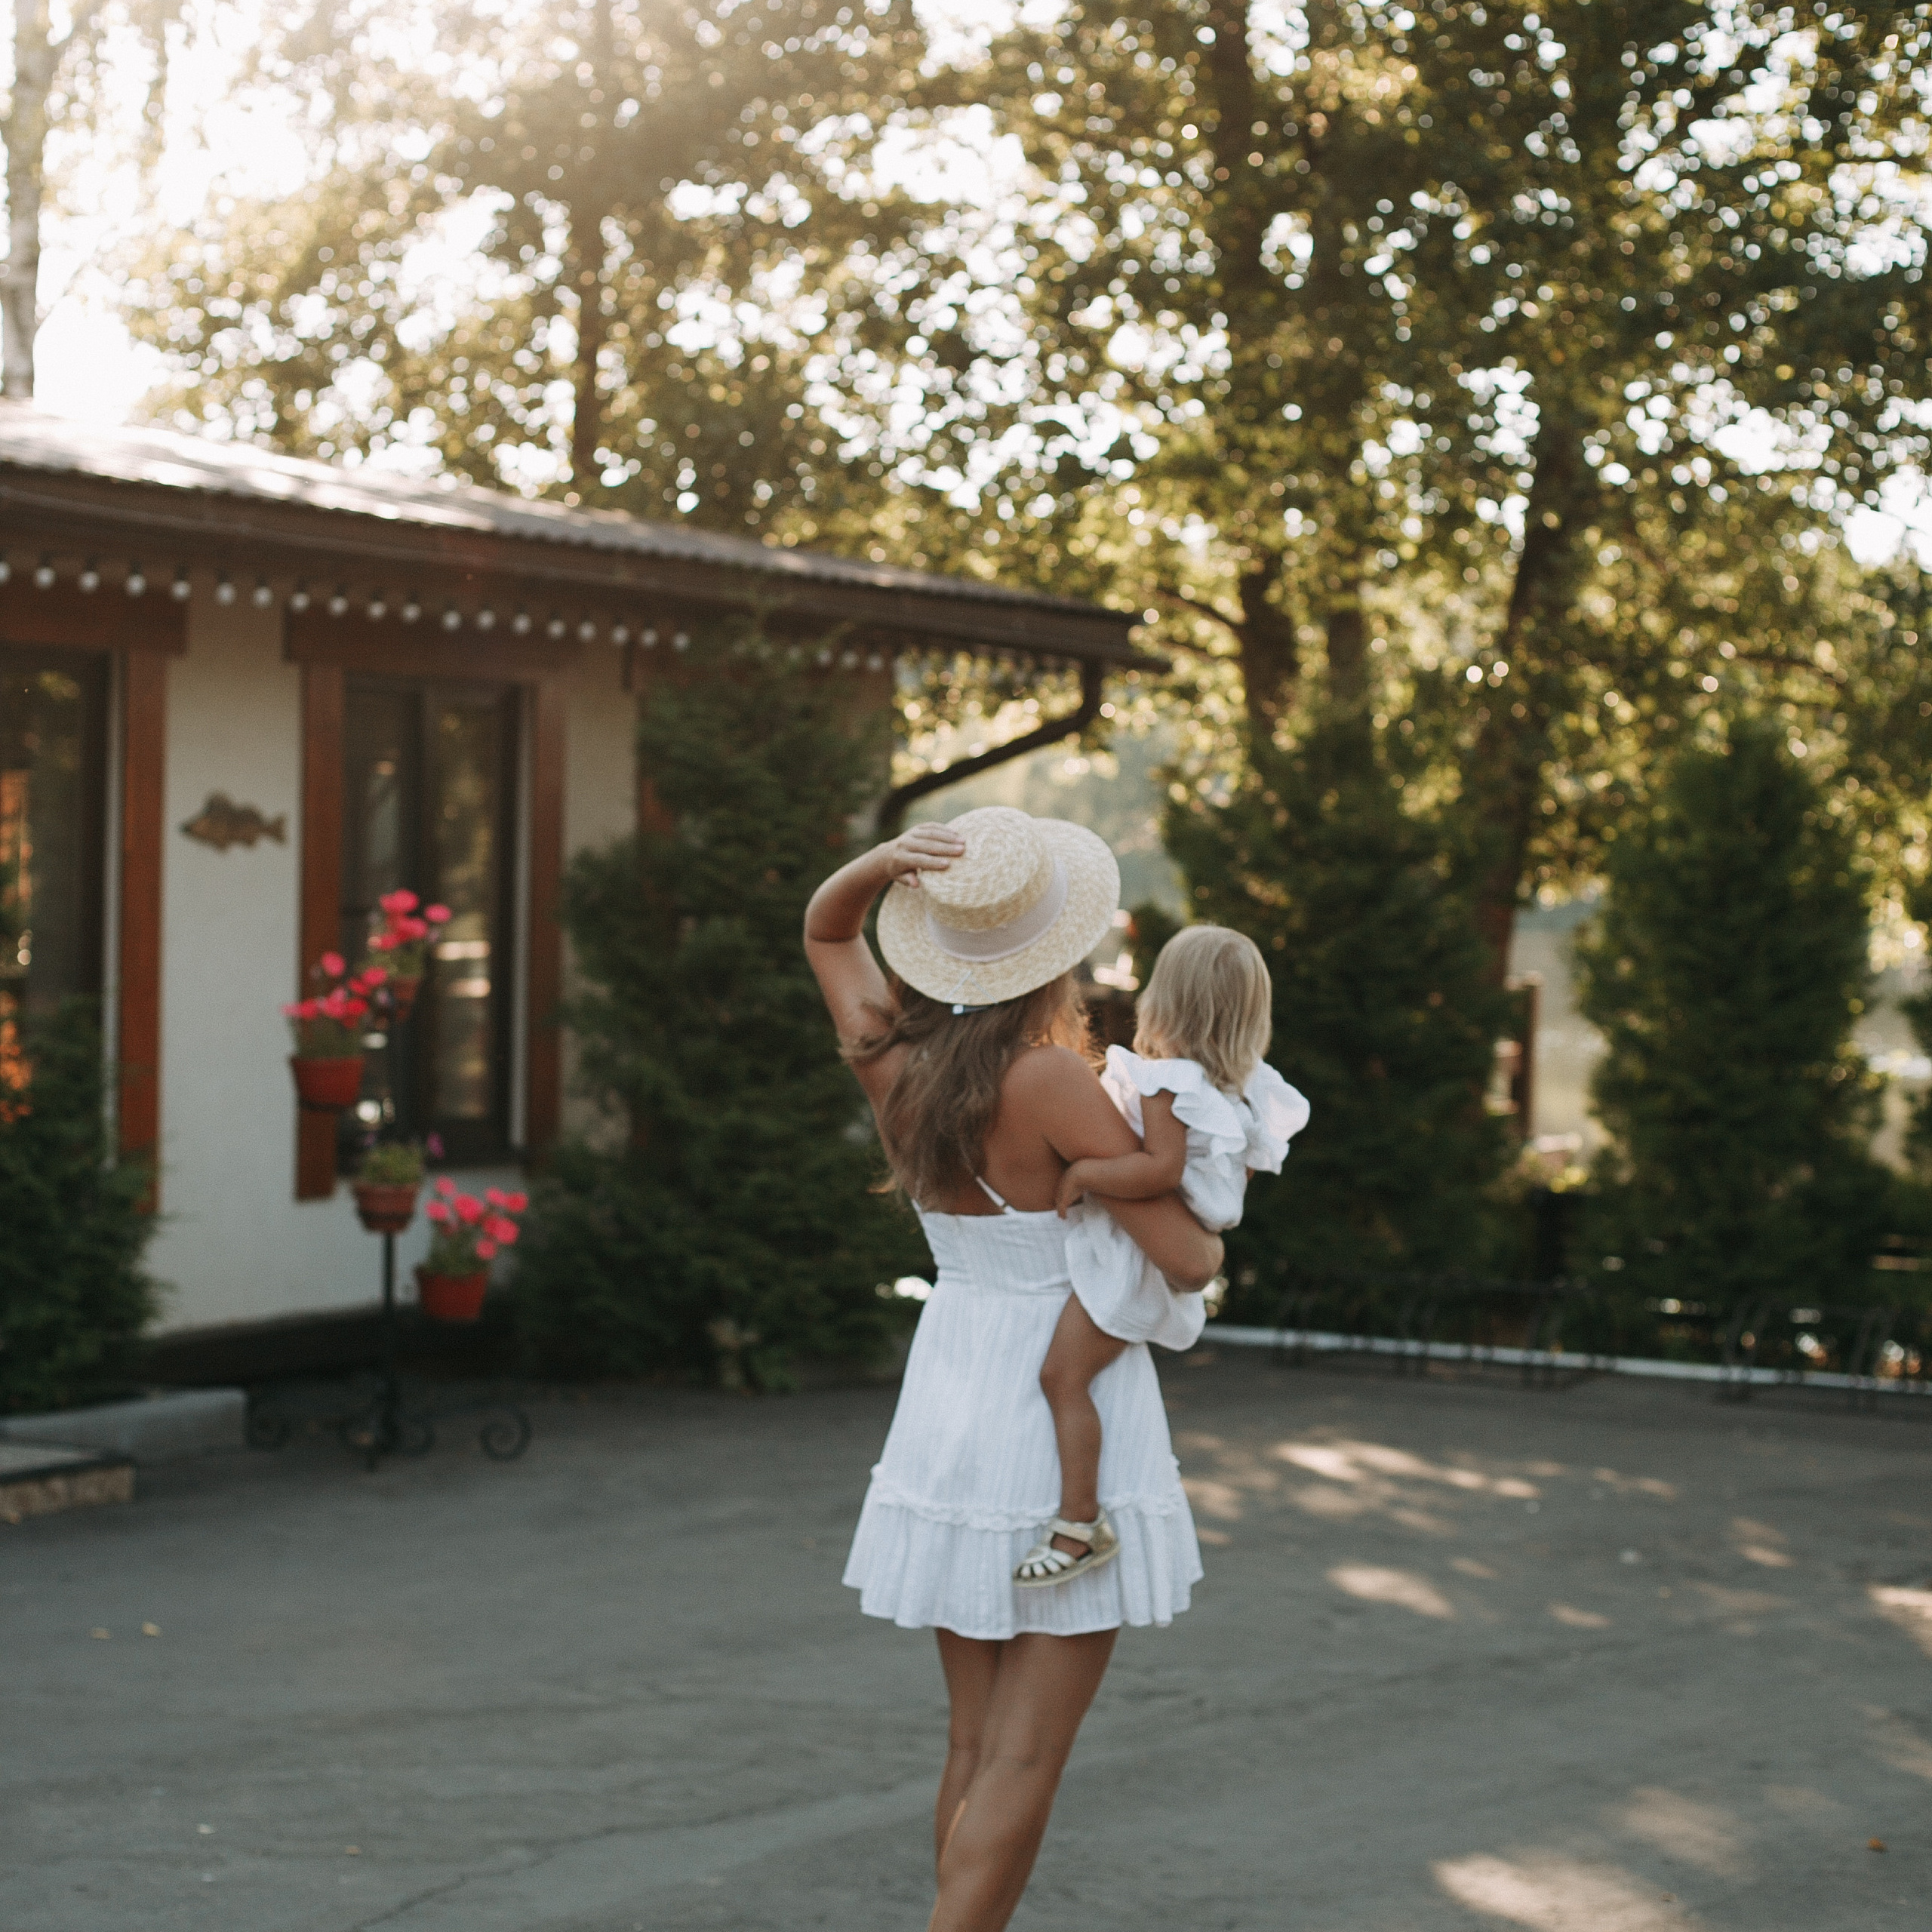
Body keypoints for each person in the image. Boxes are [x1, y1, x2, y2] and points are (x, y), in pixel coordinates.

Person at [804, 804, 1223, 1932]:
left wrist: (886, 866)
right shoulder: (1048, 1081)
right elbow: (1183, 1261)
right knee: (1029, 1757)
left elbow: (826, 936)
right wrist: (1203, 1219)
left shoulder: (895, 1060)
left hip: (952, 1384)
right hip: (1057, 1392)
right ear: (1059, 954)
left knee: (977, 1741)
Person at [1014, 925, 1311, 1586]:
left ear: (1165, 1000)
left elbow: (1157, 1170)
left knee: (1061, 1380)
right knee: (1074, 1380)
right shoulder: (1241, 1088)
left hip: (1134, 1261)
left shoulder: (1164, 1080)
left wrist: (1086, 1173)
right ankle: (1080, 1517)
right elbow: (1236, 1180)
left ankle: (1078, 1525)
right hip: (1162, 1255)